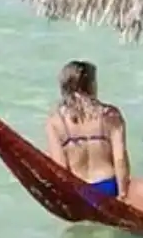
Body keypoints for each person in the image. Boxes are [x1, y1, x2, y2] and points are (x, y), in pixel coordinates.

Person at [45, 60, 130, 198]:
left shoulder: (55, 121)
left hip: (78, 191)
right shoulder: (110, 115)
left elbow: (60, 167)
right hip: (108, 186)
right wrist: (123, 194)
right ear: (91, 85)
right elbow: (120, 160)